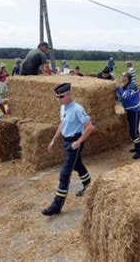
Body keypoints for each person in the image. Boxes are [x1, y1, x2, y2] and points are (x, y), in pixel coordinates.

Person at [42, 83, 95, 216]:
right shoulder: (63, 108)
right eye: (57, 97)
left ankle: (57, 205)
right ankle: (88, 185)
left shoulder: (78, 109)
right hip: (67, 141)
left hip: (74, 142)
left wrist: (78, 142)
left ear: (69, 94)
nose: (59, 99)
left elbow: (89, 127)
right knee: (77, 164)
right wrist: (53, 140)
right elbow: (62, 124)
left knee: (65, 174)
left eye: (61, 96)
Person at [116, 72, 140, 159]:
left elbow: (126, 97)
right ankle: (139, 148)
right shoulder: (125, 87)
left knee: (133, 132)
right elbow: (120, 98)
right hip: (129, 111)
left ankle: (139, 151)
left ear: (128, 78)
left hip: (135, 111)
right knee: (134, 131)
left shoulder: (131, 86)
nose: (122, 77)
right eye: (122, 75)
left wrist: (117, 88)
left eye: (124, 76)